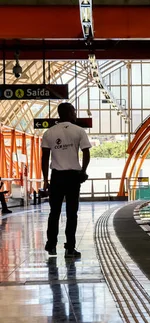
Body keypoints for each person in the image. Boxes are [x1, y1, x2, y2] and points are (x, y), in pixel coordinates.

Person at [41, 103, 91, 257]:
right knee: (71, 213)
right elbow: (86, 153)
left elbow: (44, 158)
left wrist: (45, 180)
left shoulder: (49, 132)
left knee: (54, 212)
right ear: (69, 112)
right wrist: (83, 171)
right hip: (73, 178)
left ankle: (51, 245)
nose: (75, 114)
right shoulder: (79, 131)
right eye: (74, 111)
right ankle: (70, 248)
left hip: (56, 177)